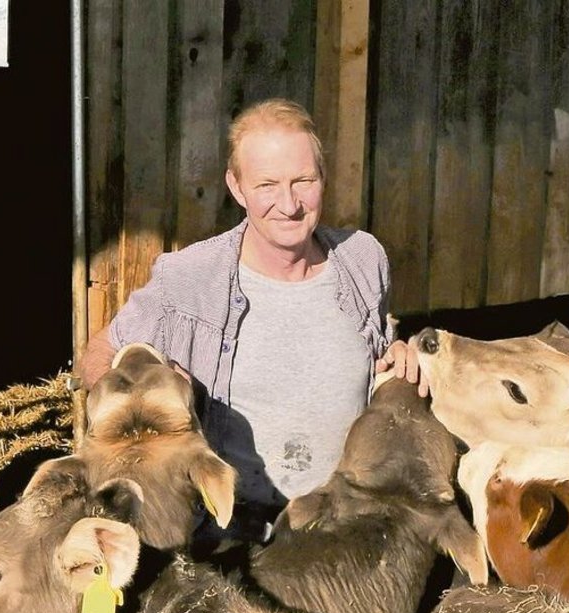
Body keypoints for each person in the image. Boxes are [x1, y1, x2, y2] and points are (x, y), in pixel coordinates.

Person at [78, 98, 423, 542]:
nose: (289, 204)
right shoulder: (188, 279)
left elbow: (374, 353)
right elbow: (96, 357)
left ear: (323, 179)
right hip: (232, 535)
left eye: (304, 181)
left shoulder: (362, 259)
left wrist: (395, 359)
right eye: (267, 185)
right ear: (237, 187)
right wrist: (147, 392)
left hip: (345, 527)